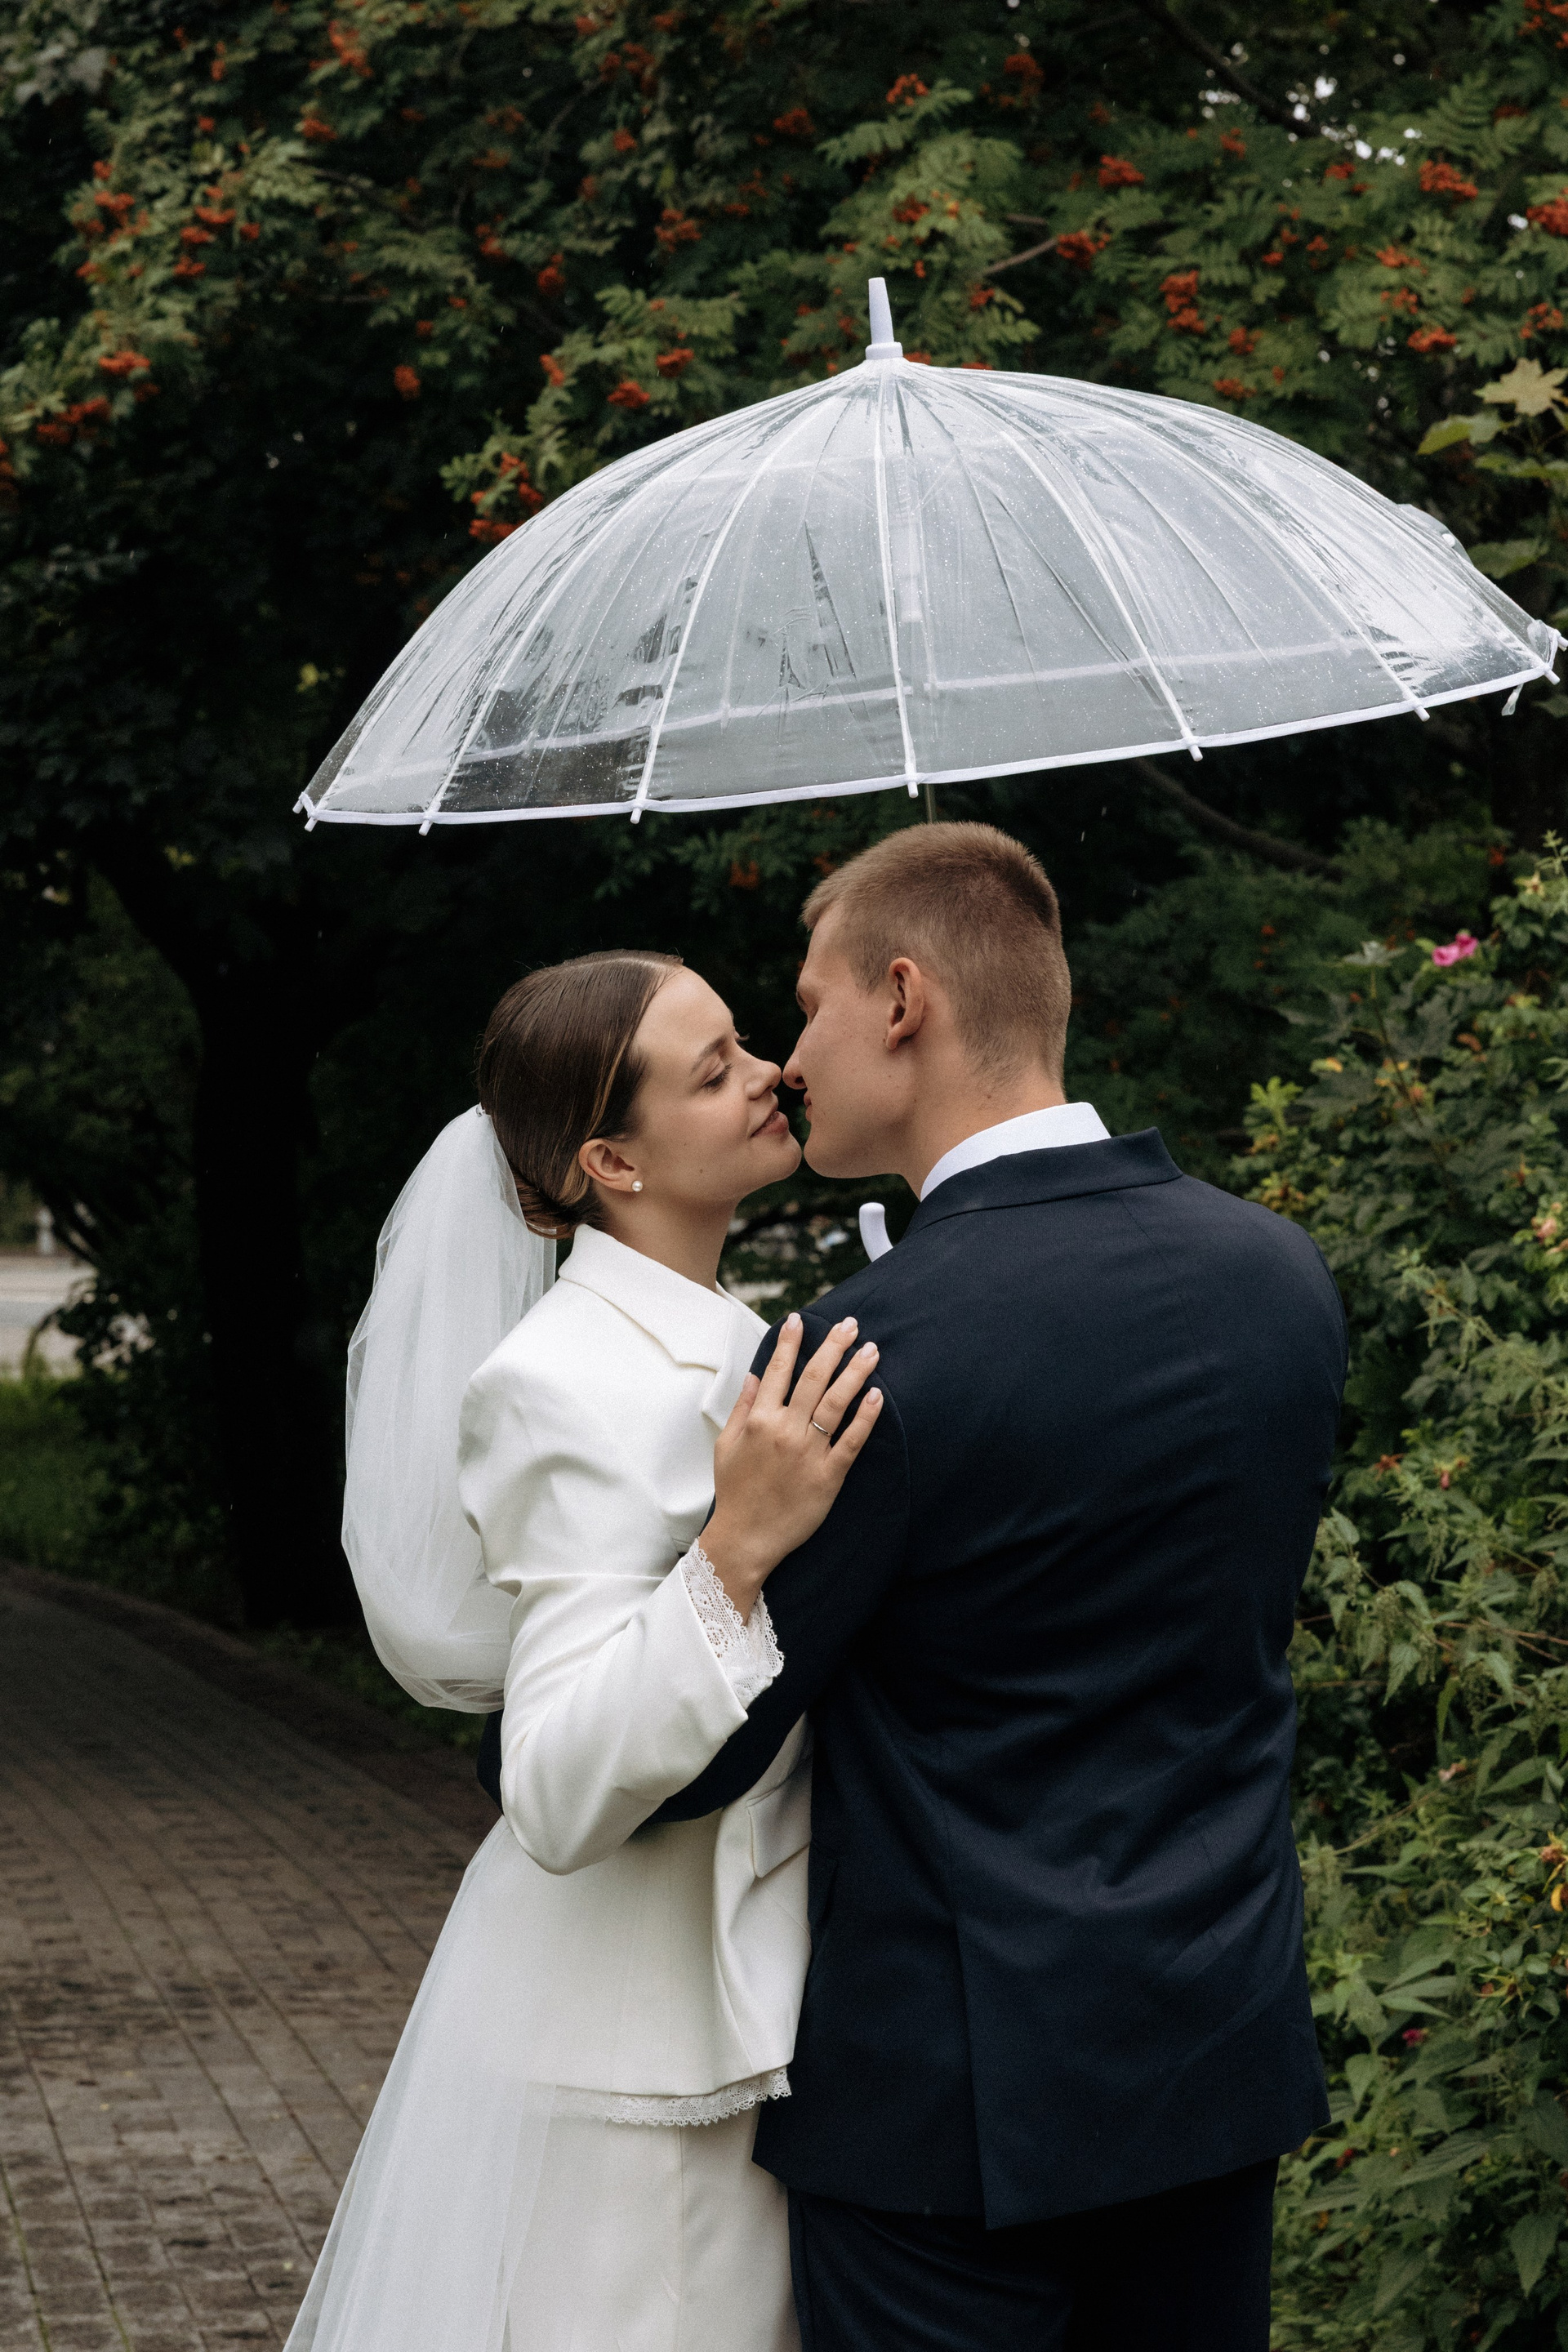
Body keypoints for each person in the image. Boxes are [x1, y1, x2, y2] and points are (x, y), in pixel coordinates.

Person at [653, 822, 1348, 2352]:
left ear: (904, 1000)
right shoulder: (1281, 1278)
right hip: (1215, 2055)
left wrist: (715, 1553)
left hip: (952, 2117)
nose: (790, 1060)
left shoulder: (862, 1356)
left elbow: (705, 1747)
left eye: (810, 1006)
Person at [286, 948, 880, 2352]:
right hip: (639, 2057)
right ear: (611, 1161)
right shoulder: (558, 1380)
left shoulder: (738, 1335)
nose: (771, 1076)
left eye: (747, 1044)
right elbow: (551, 1787)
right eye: (715, 1071)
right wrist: (733, 1552)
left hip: (748, 2009)